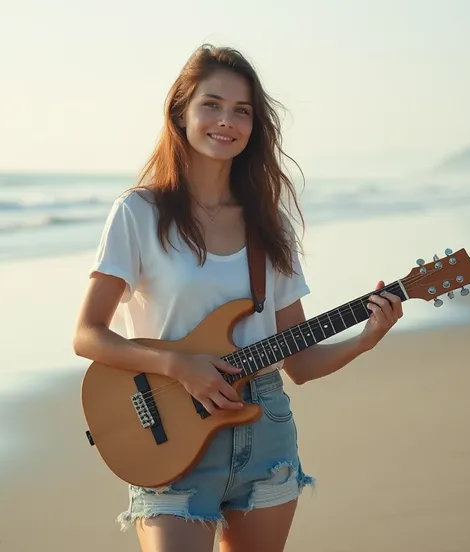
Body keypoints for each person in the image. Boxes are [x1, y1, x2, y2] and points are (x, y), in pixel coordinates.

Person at [73, 44, 403, 552]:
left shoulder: (270, 225)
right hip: (169, 434)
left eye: (242, 111)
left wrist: (366, 339)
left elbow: (299, 361)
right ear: (181, 112)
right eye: (212, 104)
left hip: (265, 435)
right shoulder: (139, 213)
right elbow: (87, 334)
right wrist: (179, 366)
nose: (226, 121)